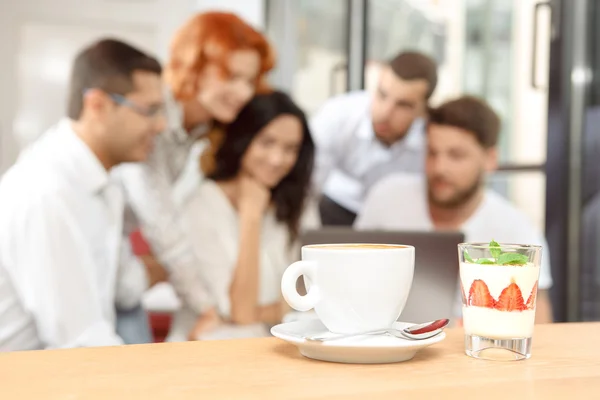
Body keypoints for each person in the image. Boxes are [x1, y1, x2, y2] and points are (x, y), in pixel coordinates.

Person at [0, 38, 167, 351]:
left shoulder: (103, 184)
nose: (160, 125)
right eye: (149, 110)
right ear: (98, 105)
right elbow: (81, 341)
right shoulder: (46, 192)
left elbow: (123, 287)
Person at [115, 12, 276, 335]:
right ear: (195, 68)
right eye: (231, 76)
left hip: (121, 264)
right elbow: (163, 226)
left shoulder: (200, 128)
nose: (243, 93)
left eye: (249, 80)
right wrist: (206, 306)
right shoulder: (156, 119)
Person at [355, 96, 554, 323]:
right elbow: (349, 278)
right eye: (432, 153)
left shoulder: (516, 229)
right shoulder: (386, 197)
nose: (440, 168)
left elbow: (539, 324)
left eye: (456, 155)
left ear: (490, 159)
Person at [166, 91, 315, 341]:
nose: (278, 159)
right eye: (267, 142)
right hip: (210, 347)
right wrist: (251, 217)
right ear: (244, 140)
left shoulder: (297, 202)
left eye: (291, 149)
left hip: (274, 343)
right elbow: (242, 313)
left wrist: (274, 311)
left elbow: (313, 297)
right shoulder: (201, 205)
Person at [311, 51, 438, 226]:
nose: (385, 113)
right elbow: (307, 186)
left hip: (395, 220)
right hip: (335, 208)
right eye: (382, 95)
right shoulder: (337, 115)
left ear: (423, 111)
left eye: (403, 105)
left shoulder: (433, 140)